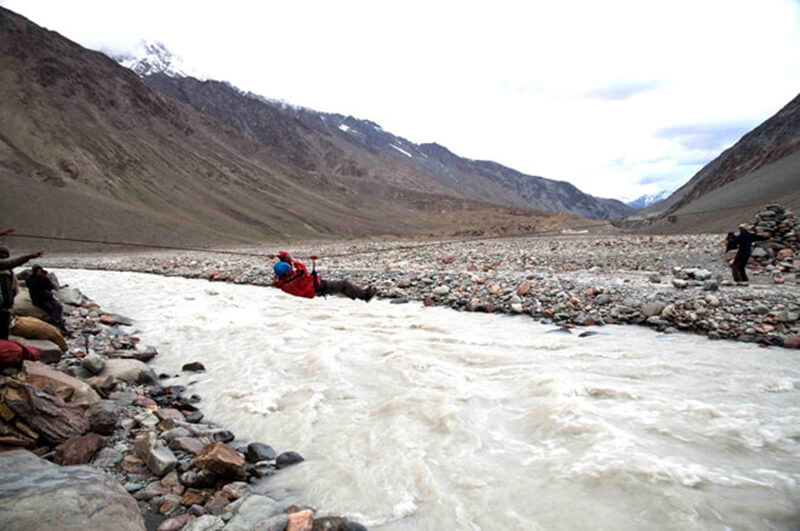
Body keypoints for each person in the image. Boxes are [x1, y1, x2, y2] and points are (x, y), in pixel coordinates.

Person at [271, 251, 376, 302]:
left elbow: (286, 265)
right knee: (344, 284)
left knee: (340, 288)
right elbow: (302, 268)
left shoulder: (282, 281)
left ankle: (354, 295)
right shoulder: (296, 278)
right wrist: (293, 259)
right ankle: (365, 296)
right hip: (318, 287)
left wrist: (279, 255)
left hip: (313, 289)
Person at [0, 245, 43, 340]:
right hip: (2, 307)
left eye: (5, 254)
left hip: (6, 307)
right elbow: (13, 262)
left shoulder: (8, 271)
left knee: (4, 334)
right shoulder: (4, 269)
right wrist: (28, 257)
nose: (3, 256)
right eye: (1, 254)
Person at [25, 264, 67, 333]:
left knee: (58, 306)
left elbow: (50, 286)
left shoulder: (43, 278)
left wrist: (45, 278)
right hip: (39, 299)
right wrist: (40, 279)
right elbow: (32, 286)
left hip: (48, 297)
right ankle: (58, 323)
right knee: (50, 308)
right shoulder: (31, 279)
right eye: (38, 271)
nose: (39, 272)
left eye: (40, 271)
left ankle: (58, 323)